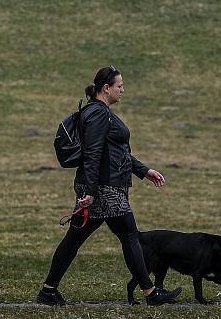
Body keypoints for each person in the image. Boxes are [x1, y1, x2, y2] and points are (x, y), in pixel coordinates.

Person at [36, 66, 182, 307]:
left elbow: (116, 151)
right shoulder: (98, 114)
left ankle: (48, 291)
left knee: (75, 239)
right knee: (129, 235)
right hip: (105, 188)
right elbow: (93, 154)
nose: (123, 90)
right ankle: (150, 292)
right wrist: (91, 192)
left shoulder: (100, 113)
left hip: (100, 187)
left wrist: (143, 170)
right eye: (119, 86)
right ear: (106, 88)